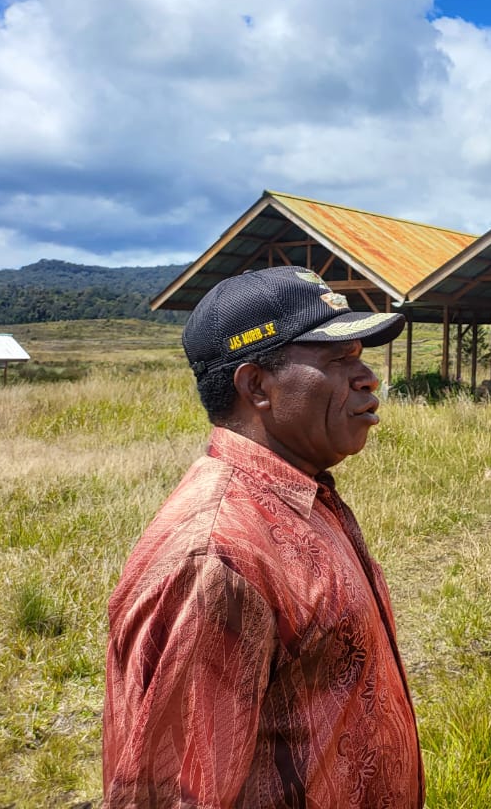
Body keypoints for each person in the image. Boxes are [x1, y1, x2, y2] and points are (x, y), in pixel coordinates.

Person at [103, 266, 423, 808]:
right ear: (257, 386)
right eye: (337, 359)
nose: (368, 376)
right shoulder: (216, 560)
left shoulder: (303, 496)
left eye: (361, 355)